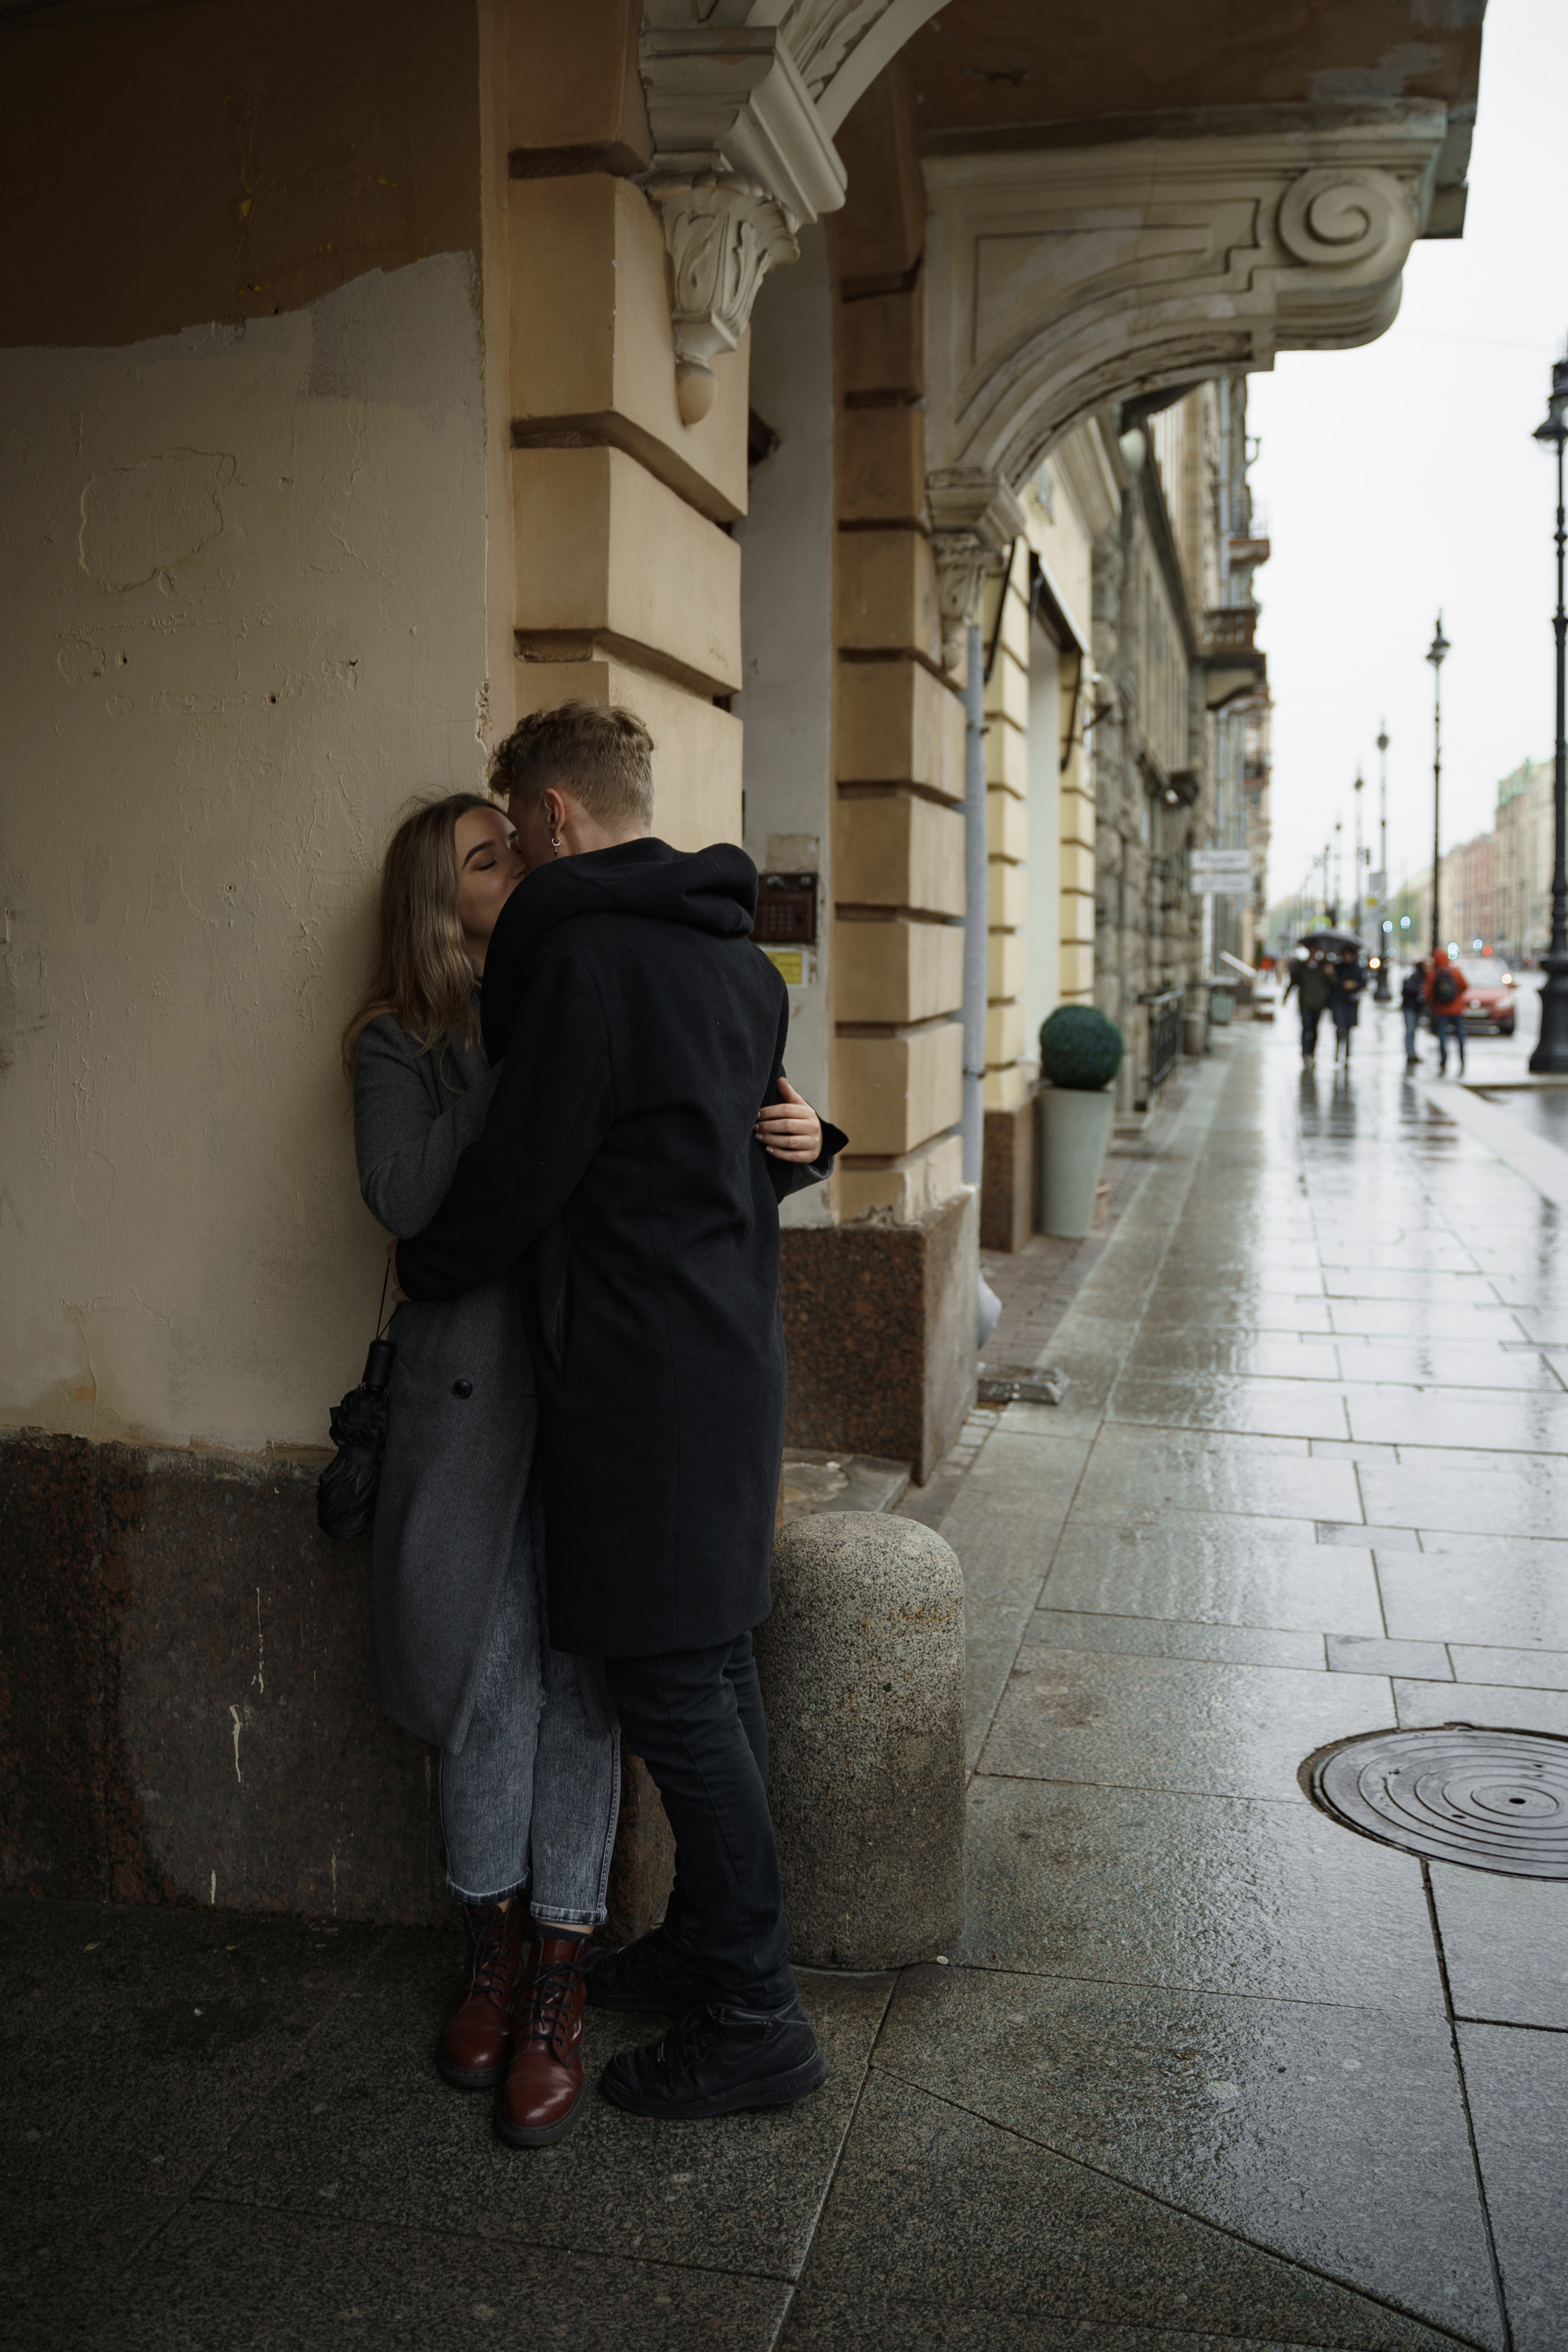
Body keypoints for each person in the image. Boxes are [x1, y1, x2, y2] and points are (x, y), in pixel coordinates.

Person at [394, 701, 846, 2127]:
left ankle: (757, 2016)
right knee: (706, 1678)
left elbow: (529, 1169)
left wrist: (429, 1261)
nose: (516, 848)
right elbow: (715, 1157)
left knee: (672, 1690)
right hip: (718, 1357)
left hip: (643, 1377)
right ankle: (720, 1948)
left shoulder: (581, 956)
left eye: (514, 821)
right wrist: (808, 1140)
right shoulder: (731, 954)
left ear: (552, 815)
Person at [344, 793, 623, 2150]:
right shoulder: (399, 1043)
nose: (515, 869)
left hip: (589, 1390)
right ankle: (492, 1950)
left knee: (581, 1680)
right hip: (466, 1410)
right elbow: (403, 1196)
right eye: (485, 858)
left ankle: (562, 1976)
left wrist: (808, 1139)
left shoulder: (587, 985)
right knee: (484, 1678)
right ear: (433, 902)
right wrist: (513, 1055)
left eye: (518, 849)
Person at [1425, 948, 1468, 1074]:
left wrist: (1436, 1005)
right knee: (1460, 1036)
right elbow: (1465, 986)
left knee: (1442, 1037)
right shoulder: (1455, 971)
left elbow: (1428, 994)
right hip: (1457, 1011)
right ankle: (1462, 1058)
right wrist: (1457, 999)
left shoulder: (1433, 974)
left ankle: (1444, 1059)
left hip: (1441, 1011)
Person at [1284, 948, 1331, 1061]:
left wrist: (1330, 973)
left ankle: (1312, 1052)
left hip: (1318, 1003)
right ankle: (1305, 1053)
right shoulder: (1302, 967)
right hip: (1305, 1003)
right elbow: (1294, 982)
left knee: (1314, 1028)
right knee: (1306, 1027)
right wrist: (1285, 996)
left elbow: (1332, 983)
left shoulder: (1323, 967)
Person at [1329, 944, 1365, 1063]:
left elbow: (1363, 983)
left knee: (1348, 1028)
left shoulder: (1357, 968)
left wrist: (1354, 985)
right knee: (1340, 1026)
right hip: (1339, 1001)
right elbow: (1333, 983)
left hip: (1351, 1002)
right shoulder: (1338, 968)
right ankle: (1338, 1050)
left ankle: (1347, 1052)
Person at [1401, 958, 1427, 1068]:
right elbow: (1408, 989)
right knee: (1411, 1030)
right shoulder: (1416, 977)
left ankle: (1412, 1052)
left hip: (1415, 1007)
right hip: (1411, 1007)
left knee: (1412, 1030)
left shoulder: (1422, 977)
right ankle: (1410, 1052)